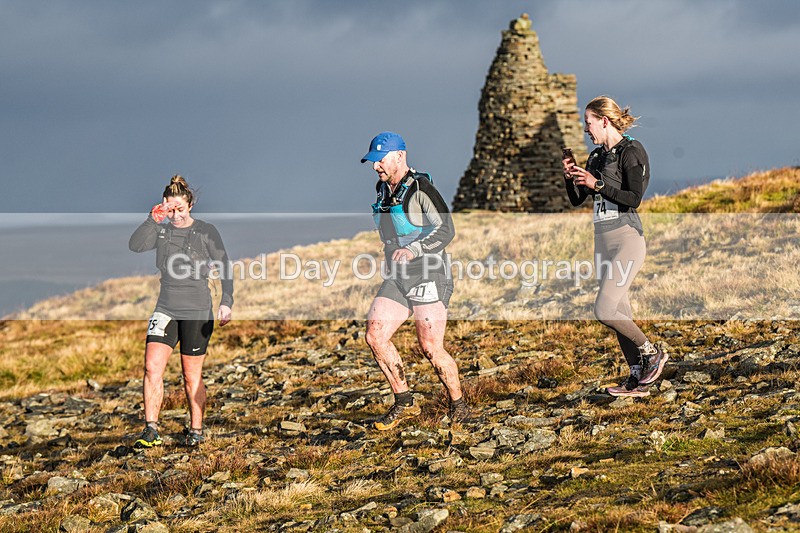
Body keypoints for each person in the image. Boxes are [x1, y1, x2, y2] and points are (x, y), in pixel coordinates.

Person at [361, 131, 473, 429]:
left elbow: (446, 230)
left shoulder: (421, 188)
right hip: (398, 276)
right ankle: (405, 402)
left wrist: (414, 249)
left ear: (400, 156)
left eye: (380, 160)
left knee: (430, 347)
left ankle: (459, 406)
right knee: (375, 335)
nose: (375, 166)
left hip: (430, 272)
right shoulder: (383, 189)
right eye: (373, 161)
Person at [562, 96, 668, 397]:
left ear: (604, 121)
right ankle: (636, 378)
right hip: (602, 241)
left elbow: (634, 198)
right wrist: (571, 177)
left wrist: (596, 184)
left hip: (627, 239)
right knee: (619, 311)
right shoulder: (596, 156)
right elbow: (577, 199)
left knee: (604, 309)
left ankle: (652, 354)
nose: (586, 129)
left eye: (588, 123)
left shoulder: (631, 151)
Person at [128, 175, 233, 447]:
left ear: (190, 206)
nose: (175, 215)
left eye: (180, 209)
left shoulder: (206, 231)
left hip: (197, 310)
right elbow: (135, 245)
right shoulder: (161, 230)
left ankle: (196, 430)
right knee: (151, 367)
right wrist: (152, 219)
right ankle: (151, 429)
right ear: (164, 206)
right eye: (171, 209)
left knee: (190, 375)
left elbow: (224, 264)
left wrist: (226, 301)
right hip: (165, 308)